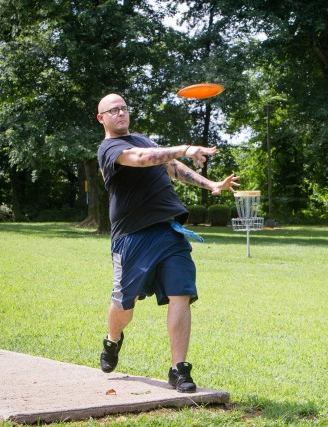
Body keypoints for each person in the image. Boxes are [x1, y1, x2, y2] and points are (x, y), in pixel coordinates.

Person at [96, 93, 240, 393]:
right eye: (113, 110)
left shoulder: (144, 139)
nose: (121, 113)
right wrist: (186, 148)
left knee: (181, 295)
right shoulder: (110, 149)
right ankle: (112, 340)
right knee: (125, 305)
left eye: (124, 107)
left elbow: (171, 166)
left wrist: (210, 183)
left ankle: (179, 370)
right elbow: (141, 159)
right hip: (132, 238)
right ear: (102, 118)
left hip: (169, 232)